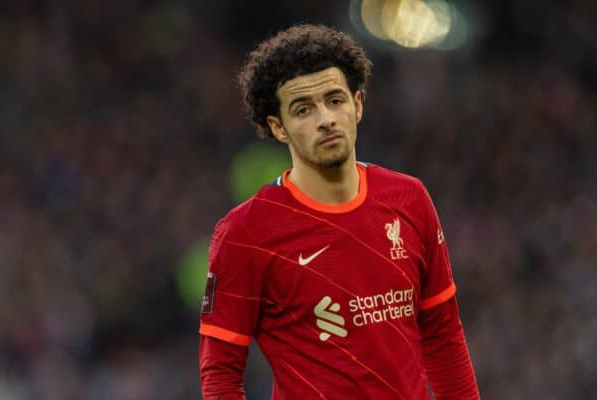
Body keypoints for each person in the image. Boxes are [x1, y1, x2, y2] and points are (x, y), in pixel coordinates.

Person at [199, 24, 480, 399]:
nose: (325, 119)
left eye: (335, 100)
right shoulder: (245, 233)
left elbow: (443, 337)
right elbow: (221, 374)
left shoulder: (409, 199)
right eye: (303, 109)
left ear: (357, 104)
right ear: (277, 127)